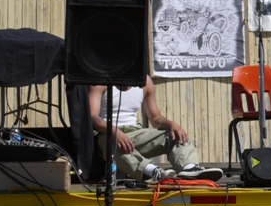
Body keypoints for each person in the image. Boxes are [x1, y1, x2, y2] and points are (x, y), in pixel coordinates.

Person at [89, 75, 223, 183]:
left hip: (135, 132)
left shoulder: (145, 81)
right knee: (112, 142)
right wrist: (115, 132)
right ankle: (153, 172)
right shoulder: (101, 81)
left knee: (175, 134)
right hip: (106, 133)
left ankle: (189, 168)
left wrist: (172, 124)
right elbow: (93, 117)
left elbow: (156, 118)